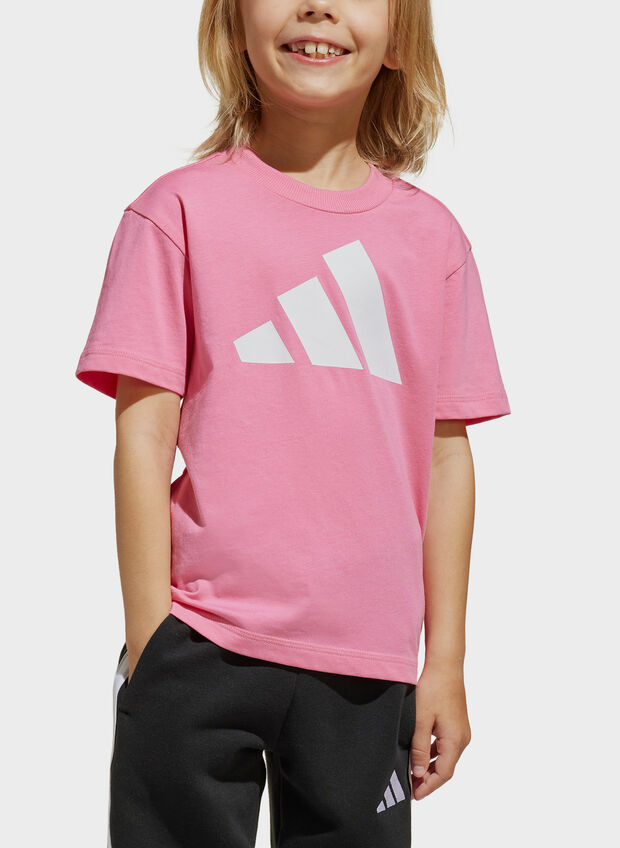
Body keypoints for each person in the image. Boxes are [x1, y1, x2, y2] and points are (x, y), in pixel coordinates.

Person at [75, 1, 511, 846]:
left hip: (368, 665)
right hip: (199, 641)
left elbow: (446, 458)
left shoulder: (432, 241)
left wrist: (446, 663)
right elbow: (142, 436)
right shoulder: (176, 213)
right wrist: (149, 640)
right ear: (234, 23)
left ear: (399, 38)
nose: (318, 5)